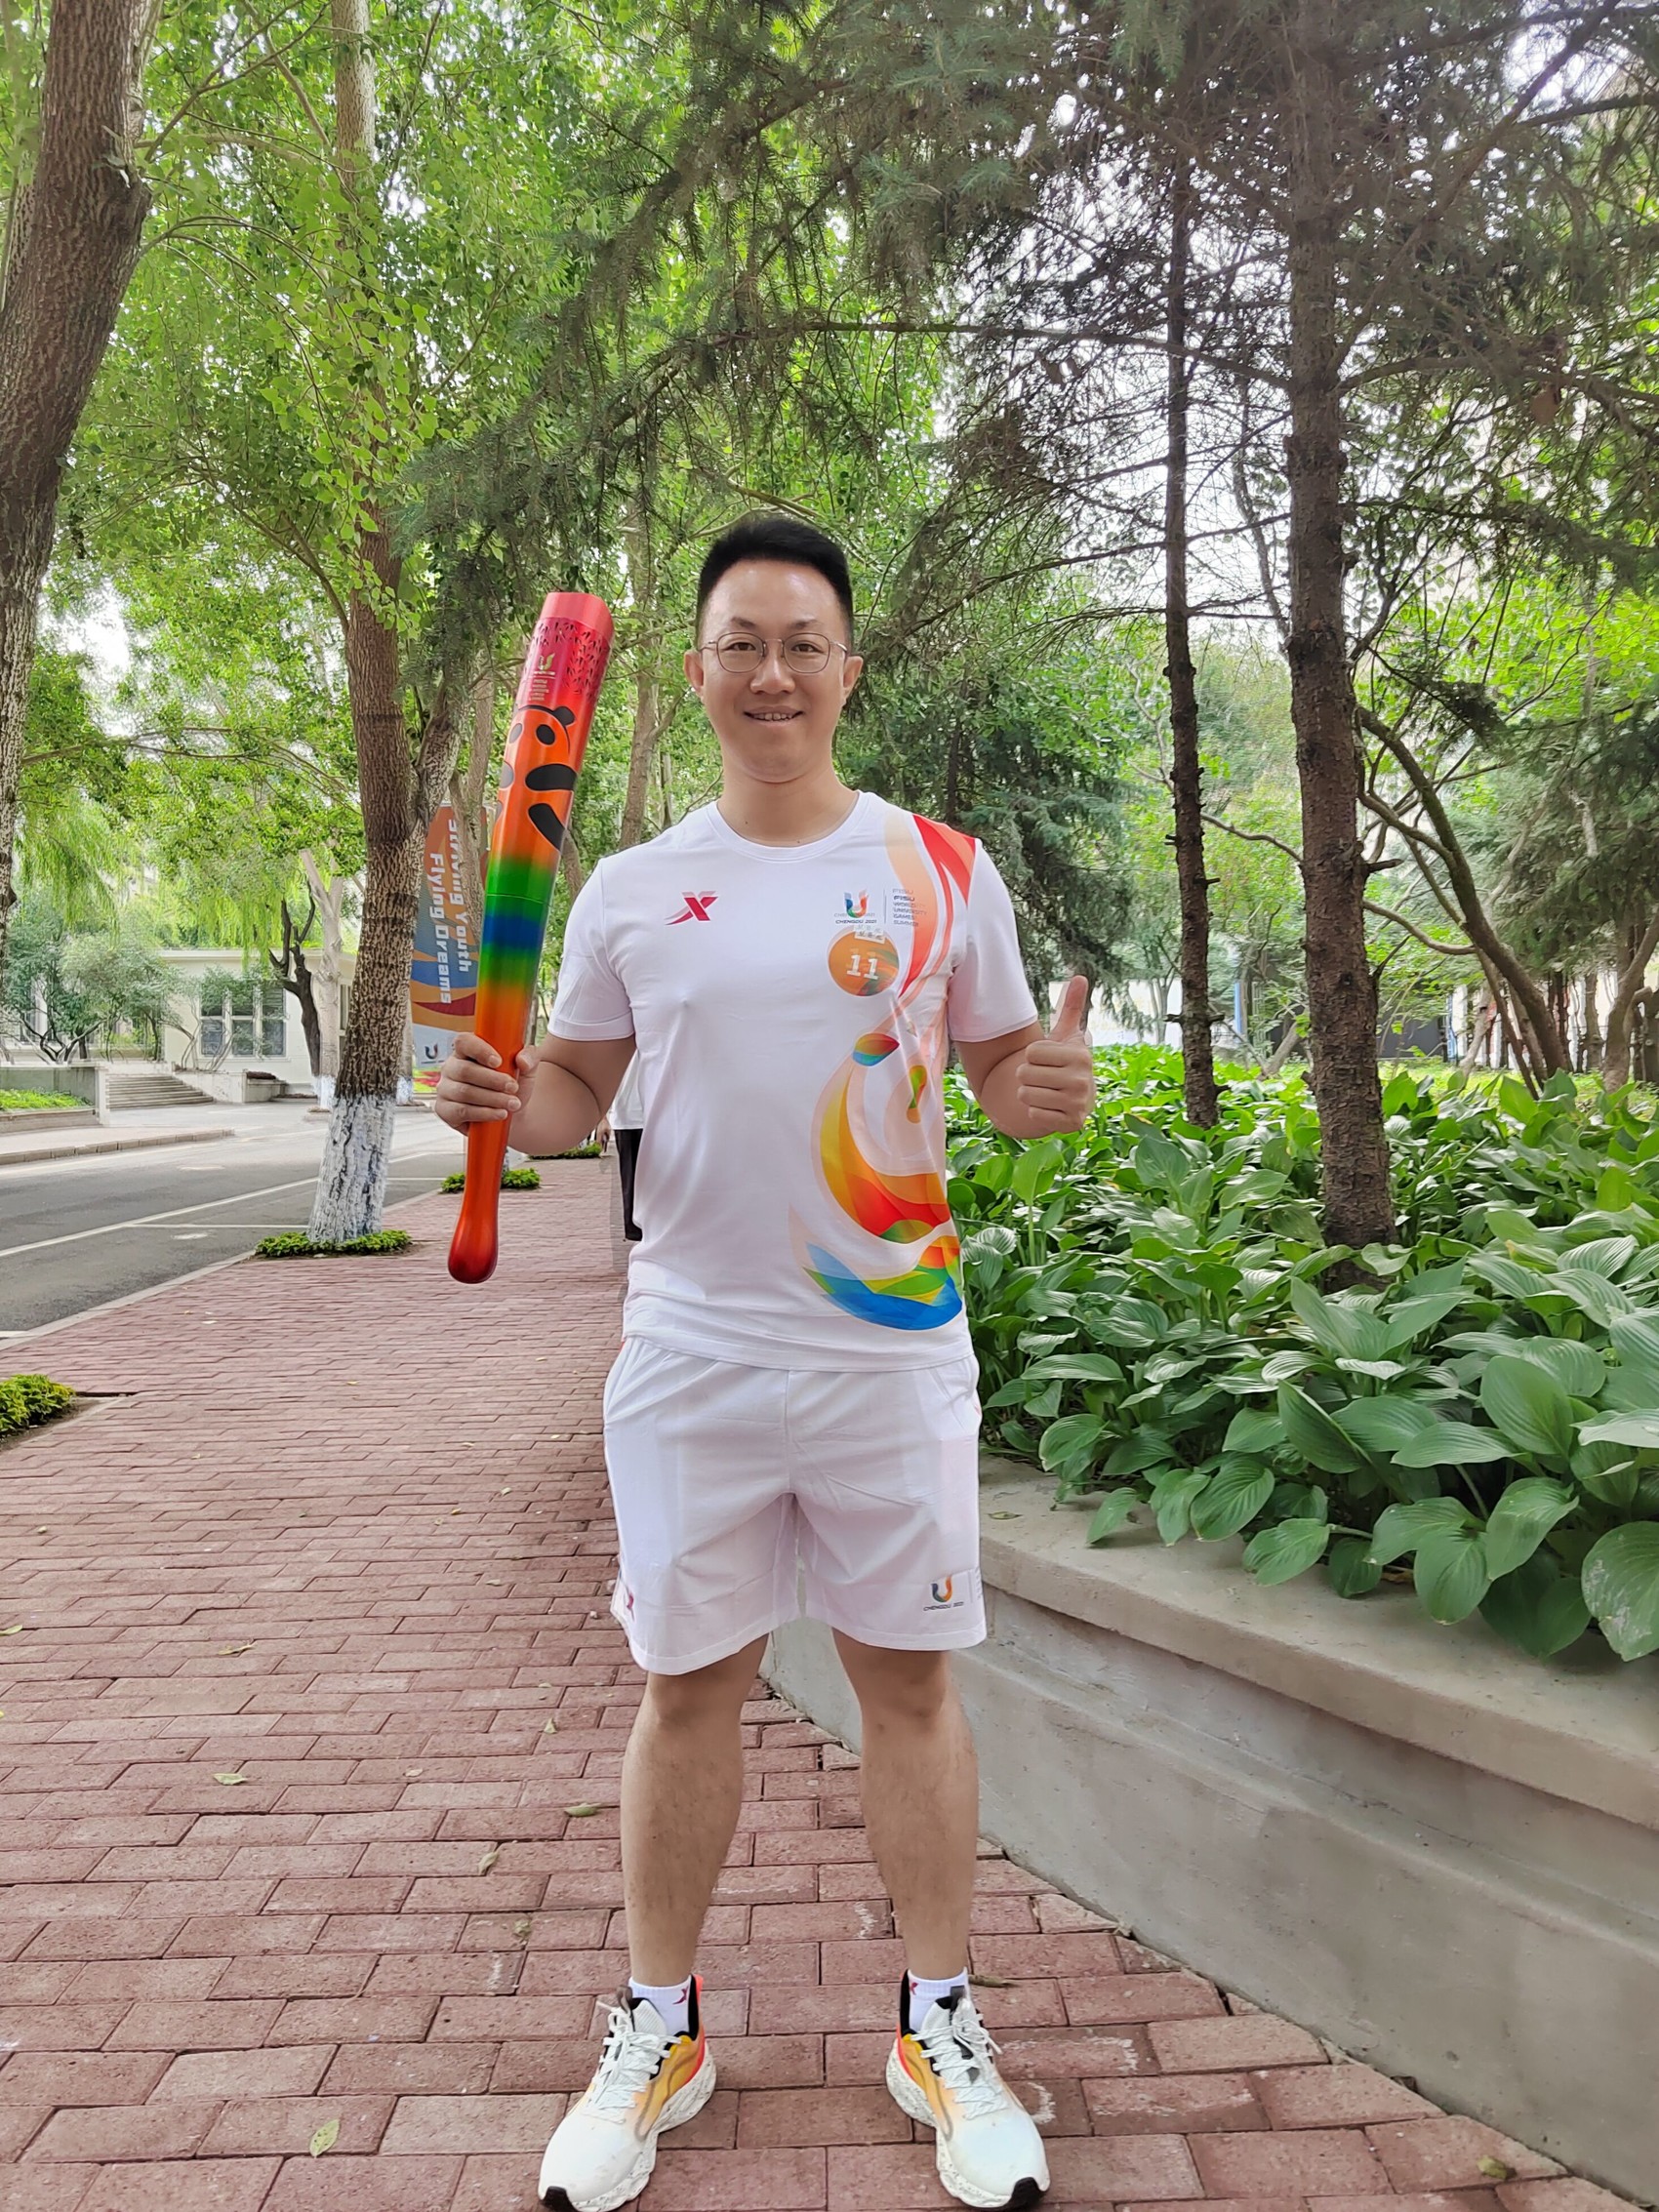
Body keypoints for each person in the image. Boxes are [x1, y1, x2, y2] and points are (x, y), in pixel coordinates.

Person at [435, 513, 1096, 2212]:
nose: (775, 672)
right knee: (686, 1689)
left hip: (890, 1346)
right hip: (694, 1350)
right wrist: (505, 1099)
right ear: (698, 671)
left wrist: (1034, 1093)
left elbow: (1003, 1065)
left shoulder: (941, 868)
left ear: (848, 671)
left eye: (805, 643)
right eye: (744, 643)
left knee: (910, 1688)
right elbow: (575, 1094)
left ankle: (936, 2027)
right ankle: (660, 2030)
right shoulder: (629, 889)